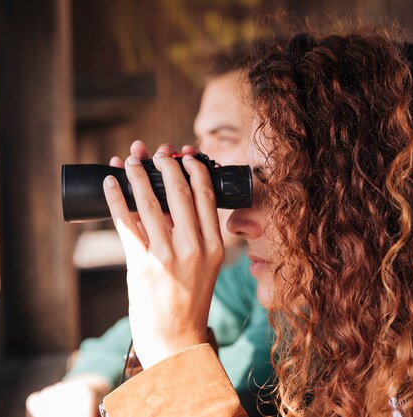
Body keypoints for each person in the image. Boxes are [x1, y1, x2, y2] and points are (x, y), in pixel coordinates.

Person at [99, 28, 413, 417]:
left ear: (377, 201)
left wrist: (175, 354)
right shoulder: (380, 319)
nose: (239, 222)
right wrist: (165, 334)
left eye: (281, 189)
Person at [26, 50, 274, 417]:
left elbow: (232, 389)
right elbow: (130, 334)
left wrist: (173, 348)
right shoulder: (248, 274)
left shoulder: (303, 283)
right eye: (199, 139)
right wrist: (88, 380)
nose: (200, 160)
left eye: (222, 137)